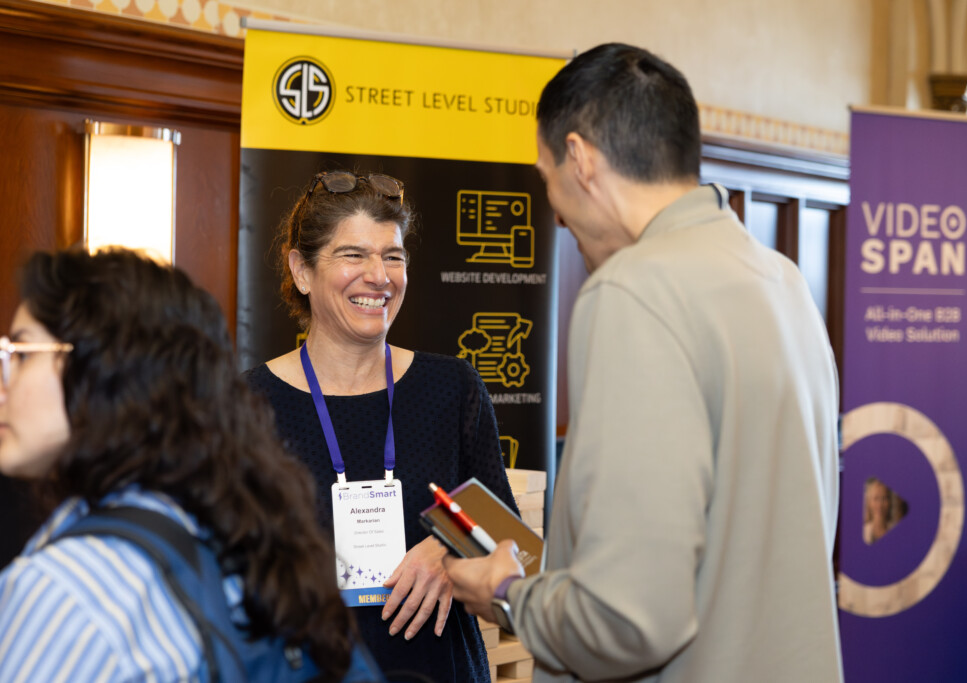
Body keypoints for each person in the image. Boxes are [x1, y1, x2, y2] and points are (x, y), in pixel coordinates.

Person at [444, 43, 844, 682]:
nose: (553, 210)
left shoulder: (634, 290)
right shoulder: (784, 280)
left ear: (580, 160)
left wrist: (507, 594)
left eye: (546, 176)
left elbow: (628, 619)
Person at [0, 247, 362, 681]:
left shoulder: (66, 591)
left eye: (21, 353)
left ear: (102, 370)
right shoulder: (237, 529)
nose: (5, 379)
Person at [244, 170, 517, 682]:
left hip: (442, 670)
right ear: (301, 271)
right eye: (353, 255)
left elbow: (509, 533)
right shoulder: (246, 405)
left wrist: (450, 546)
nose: (379, 276)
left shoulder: (452, 387)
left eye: (393, 256)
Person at [863, 477, 899, 544]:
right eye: (876, 499)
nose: (880, 505)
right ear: (869, 502)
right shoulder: (864, 531)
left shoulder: (896, 530)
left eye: (884, 498)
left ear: (890, 502)